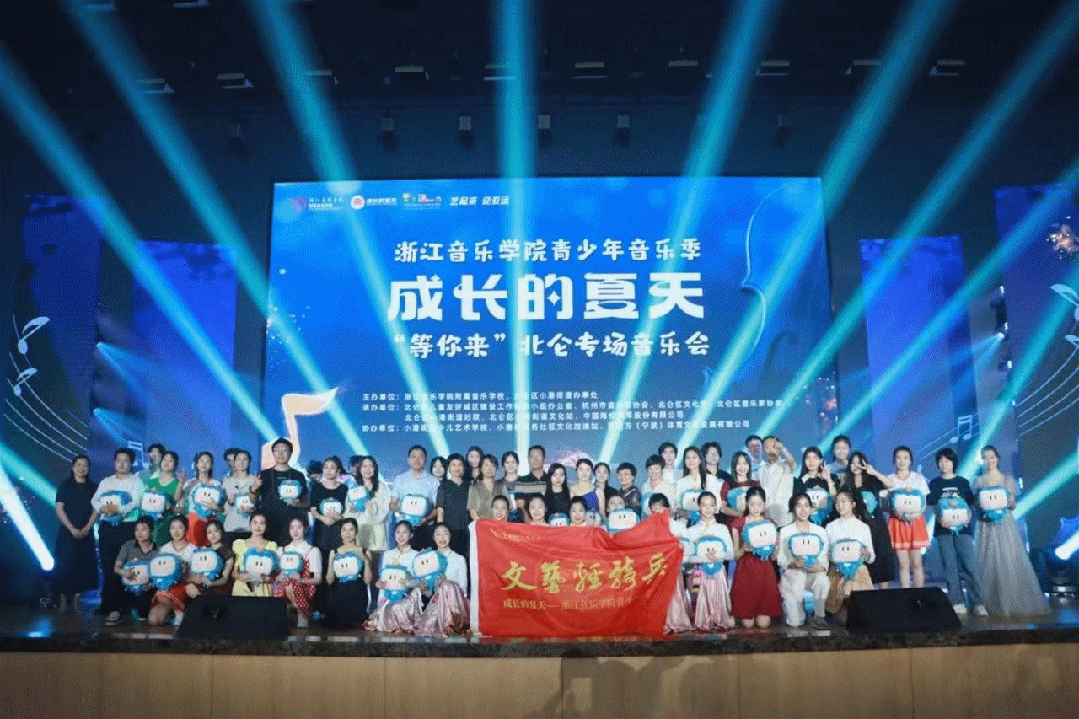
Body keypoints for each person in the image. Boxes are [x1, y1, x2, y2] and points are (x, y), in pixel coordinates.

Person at [974, 446, 1050, 616]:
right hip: (986, 525)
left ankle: (1011, 601)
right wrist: (980, 504)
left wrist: (1009, 502)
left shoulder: (1007, 479)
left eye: (992, 457)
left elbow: (1013, 505)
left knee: (1008, 559)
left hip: (1004, 524)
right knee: (988, 561)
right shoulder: (978, 481)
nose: (989, 461)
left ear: (997, 458)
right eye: (985, 457)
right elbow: (976, 505)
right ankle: (989, 602)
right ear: (982, 460)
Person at [928, 447, 987, 616]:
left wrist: (968, 516)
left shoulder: (962, 482)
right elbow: (934, 506)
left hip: (963, 530)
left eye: (947, 460)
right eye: (940, 461)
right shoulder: (934, 484)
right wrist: (940, 518)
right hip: (943, 530)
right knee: (950, 566)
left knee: (969, 565)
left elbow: (969, 505)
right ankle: (957, 601)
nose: (943, 464)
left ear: (953, 462)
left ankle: (977, 602)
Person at [92, 448, 144, 625]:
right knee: (108, 565)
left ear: (131, 463)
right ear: (114, 462)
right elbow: (94, 500)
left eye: (125, 461)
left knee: (123, 565)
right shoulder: (106, 481)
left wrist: (118, 509)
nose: (121, 464)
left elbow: (136, 501)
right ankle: (109, 605)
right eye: (118, 460)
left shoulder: (136, 482)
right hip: (107, 527)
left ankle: (121, 606)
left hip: (126, 526)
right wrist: (102, 508)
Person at [838, 452, 896, 588]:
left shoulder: (872, 480)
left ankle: (884, 595)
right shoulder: (847, 485)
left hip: (877, 525)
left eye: (859, 462)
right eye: (853, 462)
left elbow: (890, 484)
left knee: (881, 559)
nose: (856, 465)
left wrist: (873, 472)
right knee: (863, 560)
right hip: (858, 528)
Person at [729, 487, 782, 628]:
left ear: (764, 505)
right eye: (752, 504)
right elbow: (735, 555)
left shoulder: (770, 524)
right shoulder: (738, 523)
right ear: (747, 503)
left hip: (765, 570)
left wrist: (776, 549)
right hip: (746, 570)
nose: (756, 508)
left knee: (764, 624)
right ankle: (738, 616)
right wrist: (744, 549)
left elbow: (773, 557)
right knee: (748, 624)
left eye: (759, 504)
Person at [53, 455, 99, 613]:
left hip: (87, 532)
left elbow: (96, 509)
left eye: (85, 465)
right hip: (67, 532)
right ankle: (63, 601)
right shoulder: (65, 486)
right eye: (78, 465)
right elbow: (59, 509)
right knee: (64, 565)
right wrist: (72, 528)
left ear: (89, 468)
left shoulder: (94, 487)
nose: (81, 468)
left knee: (83, 566)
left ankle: (76, 602)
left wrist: (88, 527)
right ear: (73, 467)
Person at [880, 446, 931, 588]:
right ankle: (906, 594)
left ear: (910, 460)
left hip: (915, 522)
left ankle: (919, 595)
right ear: (894, 460)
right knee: (903, 565)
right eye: (898, 458)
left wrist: (914, 515)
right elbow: (884, 504)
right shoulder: (889, 479)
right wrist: (898, 514)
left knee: (917, 564)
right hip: (897, 522)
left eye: (905, 458)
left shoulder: (918, 479)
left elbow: (923, 503)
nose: (902, 461)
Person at [777, 493, 829, 628]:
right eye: (799, 506)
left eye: (806, 506)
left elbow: (824, 556)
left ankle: (819, 616)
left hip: (813, 573)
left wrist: (820, 567)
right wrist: (792, 564)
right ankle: (798, 609)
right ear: (793, 509)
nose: (803, 510)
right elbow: (780, 558)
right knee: (795, 622)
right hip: (793, 575)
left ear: (811, 509)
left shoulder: (819, 531)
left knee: (823, 580)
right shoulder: (785, 531)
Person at [685, 491, 735, 630]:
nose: (708, 509)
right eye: (704, 505)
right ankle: (702, 619)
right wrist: (703, 558)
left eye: (711, 505)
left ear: (715, 508)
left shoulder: (722, 528)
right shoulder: (691, 531)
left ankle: (719, 619)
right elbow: (688, 557)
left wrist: (718, 556)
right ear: (699, 507)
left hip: (718, 573)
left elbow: (731, 555)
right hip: (699, 573)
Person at [349, 455, 391, 610]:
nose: (367, 469)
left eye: (370, 466)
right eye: (364, 466)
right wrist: (352, 511)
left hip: (377, 534)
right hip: (360, 532)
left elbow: (384, 511)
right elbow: (348, 514)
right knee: (358, 569)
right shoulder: (354, 488)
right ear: (359, 469)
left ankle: (374, 605)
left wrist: (370, 507)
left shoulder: (382, 487)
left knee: (373, 571)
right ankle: (359, 606)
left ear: (375, 469)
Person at [824, 490, 875, 616]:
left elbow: (871, 556)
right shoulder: (830, 527)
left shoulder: (862, 527)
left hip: (858, 570)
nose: (840, 506)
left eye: (843, 502)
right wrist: (830, 556)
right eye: (837, 503)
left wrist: (867, 554)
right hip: (837, 571)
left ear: (853, 504)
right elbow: (825, 553)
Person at [365, 521, 421, 633]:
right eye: (398, 532)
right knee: (384, 610)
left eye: (405, 532)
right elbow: (382, 579)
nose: (401, 536)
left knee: (397, 607)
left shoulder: (416, 555)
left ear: (411, 535)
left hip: (407, 596)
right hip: (388, 595)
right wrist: (379, 584)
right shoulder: (387, 554)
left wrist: (408, 583)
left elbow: (420, 582)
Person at [415, 524, 469, 637]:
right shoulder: (429, 559)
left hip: (455, 604)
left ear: (450, 536)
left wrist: (446, 583)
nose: (442, 538)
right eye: (438, 534)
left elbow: (463, 588)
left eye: (445, 534)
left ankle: (452, 622)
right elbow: (429, 592)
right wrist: (424, 589)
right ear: (434, 538)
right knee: (428, 627)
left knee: (446, 585)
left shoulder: (459, 559)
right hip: (438, 603)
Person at [252, 437, 308, 546]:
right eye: (277, 450)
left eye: (284, 450)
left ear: (291, 453)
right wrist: (253, 489)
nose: (280, 454)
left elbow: (307, 502)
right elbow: (252, 501)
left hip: (291, 527)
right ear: (273, 453)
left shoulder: (298, 475)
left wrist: (297, 503)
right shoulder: (264, 474)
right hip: (268, 525)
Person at [649, 494, 693, 633]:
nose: (658, 512)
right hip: (655, 570)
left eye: (661, 508)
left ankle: (676, 621)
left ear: (668, 509)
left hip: (673, 569)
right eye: (654, 509)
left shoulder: (679, 526)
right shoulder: (647, 527)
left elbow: (687, 548)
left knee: (674, 596)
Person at [148, 515, 196, 627]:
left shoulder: (193, 549)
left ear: (186, 529)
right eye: (173, 528)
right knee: (153, 620)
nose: (176, 531)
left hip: (185, 585)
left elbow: (196, 573)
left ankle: (181, 611)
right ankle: (175, 614)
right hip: (167, 588)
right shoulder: (164, 549)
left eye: (180, 527)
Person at [323, 518, 371, 629]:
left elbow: (368, 580)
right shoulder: (334, 552)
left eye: (351, 530)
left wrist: (366, 560)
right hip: (338, 589)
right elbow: (329, 580)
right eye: (344, 530)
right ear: (340, 532)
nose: (347, 533)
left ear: (356, 531)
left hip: (357, 590)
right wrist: (331, 562)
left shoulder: (364, 551)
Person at [275, 516, 322, 628]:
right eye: (292, 528)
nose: (295, 531)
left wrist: (301, 580)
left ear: (305, 528)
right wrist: (278, 578)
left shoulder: (312, 551)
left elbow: (318, 579)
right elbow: (275, 576)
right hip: (283, 595)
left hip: (303, 594)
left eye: (299, 527)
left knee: (302, 628)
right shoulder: (281, 550)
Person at [391, 445, 438, 550]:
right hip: (404, 529)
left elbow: (437, 508)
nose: (417, 460)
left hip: (425, 528)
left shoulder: (433, 481)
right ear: (408, 460)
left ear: (425, 460)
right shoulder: (400, 479)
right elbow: (392, 504)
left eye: (420, 457)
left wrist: (426, 519)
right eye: (413, 457)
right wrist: (405, 512)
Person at [111, 516, 157, 624]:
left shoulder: (158, 550)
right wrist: (124, 572)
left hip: (147, 588)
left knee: (144, 611)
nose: (139, 533)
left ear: (151, 531)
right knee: (114, 581)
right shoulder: (128, 545)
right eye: (137, 530)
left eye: (144, 530)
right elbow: (116, 567)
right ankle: (115, 612)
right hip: (129, 585)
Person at [310, 455, 348, 564]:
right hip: (321, 530)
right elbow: (313, 510)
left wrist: (338, 518)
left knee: (337, 561)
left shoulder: (344, 489)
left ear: (338, 471)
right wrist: (324, 519)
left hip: (338, 531)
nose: (328, 470)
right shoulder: (316, 488)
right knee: (320, 562)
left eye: (332, 467)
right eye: (326, 467)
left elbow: (347, 510)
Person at [185, 518, 235, 601]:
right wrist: (196, 578)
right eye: (209, 532)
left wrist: (211, 583)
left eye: (216, 530)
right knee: (189, 587)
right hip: (202, 585)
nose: (213, 534)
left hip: (218, 587)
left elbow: (225, 579)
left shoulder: (227, 552)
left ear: (222, 532)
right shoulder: (203, 551)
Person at [232, 512, 278, 597]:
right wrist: (240, 577)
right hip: (243, 589)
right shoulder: (239, 544)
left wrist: (264, 578)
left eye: (262, 523)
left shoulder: (272, 546)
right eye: (255, 522)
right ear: (250, 524)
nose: (258, 526)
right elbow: (234, 571)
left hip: (263, 590)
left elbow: (274, 574)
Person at [144, 451, 185, 547]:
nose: (167, 463)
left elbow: (182, 509)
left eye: (171, 461)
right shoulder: (152, 482)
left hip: (167, 524)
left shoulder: (177, 483)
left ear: (175, 465)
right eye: (165, 460)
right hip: (150, 524)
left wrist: (171, 508)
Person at [436, 454, 472, 560]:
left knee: (467, 560)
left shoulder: (469, 486)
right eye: (453, 465)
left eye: (460, 465)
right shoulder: (443, 487)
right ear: (448, 468)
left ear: (464, 467)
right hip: (449, 531)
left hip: (467, 531)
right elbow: (440, 511)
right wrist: (440, 531)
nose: (457, 468)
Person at [675, 446, 724, 523]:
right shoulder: (681, 482)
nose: (691, 461)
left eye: (694, 457)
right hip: (685, 521)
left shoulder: (710, 479)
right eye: (688, 458)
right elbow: (677, 505)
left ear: (700, 460)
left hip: (707, 520)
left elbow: (717, 504)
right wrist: (688, 515)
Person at [754, 436, 795, 527]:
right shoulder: (761, 470)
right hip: (767, 516)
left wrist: (783, 449)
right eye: (767, 447)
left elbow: (791, 461)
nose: (770, 450)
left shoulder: (785, 466)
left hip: (784, 517)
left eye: (773, 447)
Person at [185, 451, 223, 547]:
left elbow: (222, 508)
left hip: (211, 521)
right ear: (197, 464)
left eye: (207, 461)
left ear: (211, 465)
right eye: (201, 461)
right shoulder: (189, 483)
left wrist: (216, 508)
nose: (204, 464)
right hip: (193, 520)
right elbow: (181, 501)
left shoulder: (217, 484)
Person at [221, 449, 257, 546]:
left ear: (249, 462)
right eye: (238, 459)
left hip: (249, 528)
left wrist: (253, 508)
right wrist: (230, 502)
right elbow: (223, 510)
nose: (241, 462)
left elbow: (261, 505)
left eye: (245, 459)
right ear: (234, 462)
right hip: (230, 527)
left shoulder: (255, 481)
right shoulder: (226, 482)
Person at [793, 447, 836, 525]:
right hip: (807, 523)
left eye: (815, 458)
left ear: (821, 461)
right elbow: (797, 504)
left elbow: (835, 499)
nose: (811, 461)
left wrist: (828, 480)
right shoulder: (800, 481)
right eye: (808, 458)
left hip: (829, 522)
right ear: (804, 461)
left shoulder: (831, 478)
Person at [720, 451, 759, 524]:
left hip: (754, 522)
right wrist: (740, 515)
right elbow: (723, 508)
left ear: (749, 465)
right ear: (734, 466)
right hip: (734, 522)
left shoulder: (755, 484)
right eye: (739, 464)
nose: (742, 467)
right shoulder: (727, 484)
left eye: (745, 463)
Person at [467, 454, 506, 521]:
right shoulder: (475, 488)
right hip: (482, 525)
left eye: (492, 465)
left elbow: (507, 510)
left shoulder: (502, 487)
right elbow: (473, 512)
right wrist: (483, 525)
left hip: (500, 525)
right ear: (481, 468)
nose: (489, 468)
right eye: (486, 465)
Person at [500, 451, 523, 521]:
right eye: (507, 462)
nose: (510, 465)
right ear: (503, 465)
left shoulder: (524, 481)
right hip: (503, 521)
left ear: (517, 464)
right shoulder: (498, 484)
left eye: (513, 462)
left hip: (523, 522)